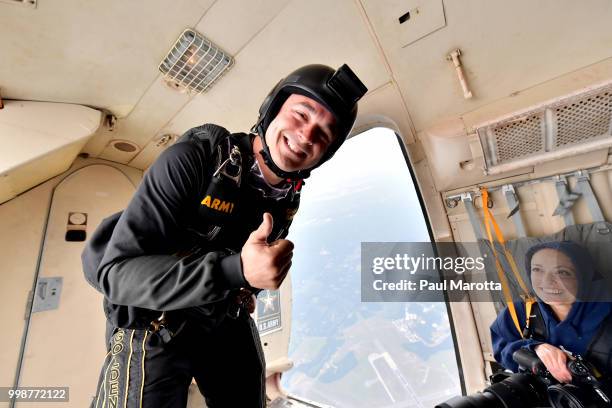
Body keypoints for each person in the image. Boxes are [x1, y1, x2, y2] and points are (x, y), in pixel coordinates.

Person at [82, 64, 367, 407]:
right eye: (301, 114)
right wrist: (236, 271)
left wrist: (249, 286)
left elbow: (247, 258)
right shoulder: (191, 160)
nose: (307, 136)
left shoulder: (287, 200)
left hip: (218, 313)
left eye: (324, 133)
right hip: (151, 318)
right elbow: (116, 274)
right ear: (273, 109)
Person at [490, 241, 612, 383]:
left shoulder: (606, 314)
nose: (546, 281)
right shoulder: (520, 312)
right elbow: (501, 350)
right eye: (537, 270)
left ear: (583, 277)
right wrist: (534, 348)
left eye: (562, 272)